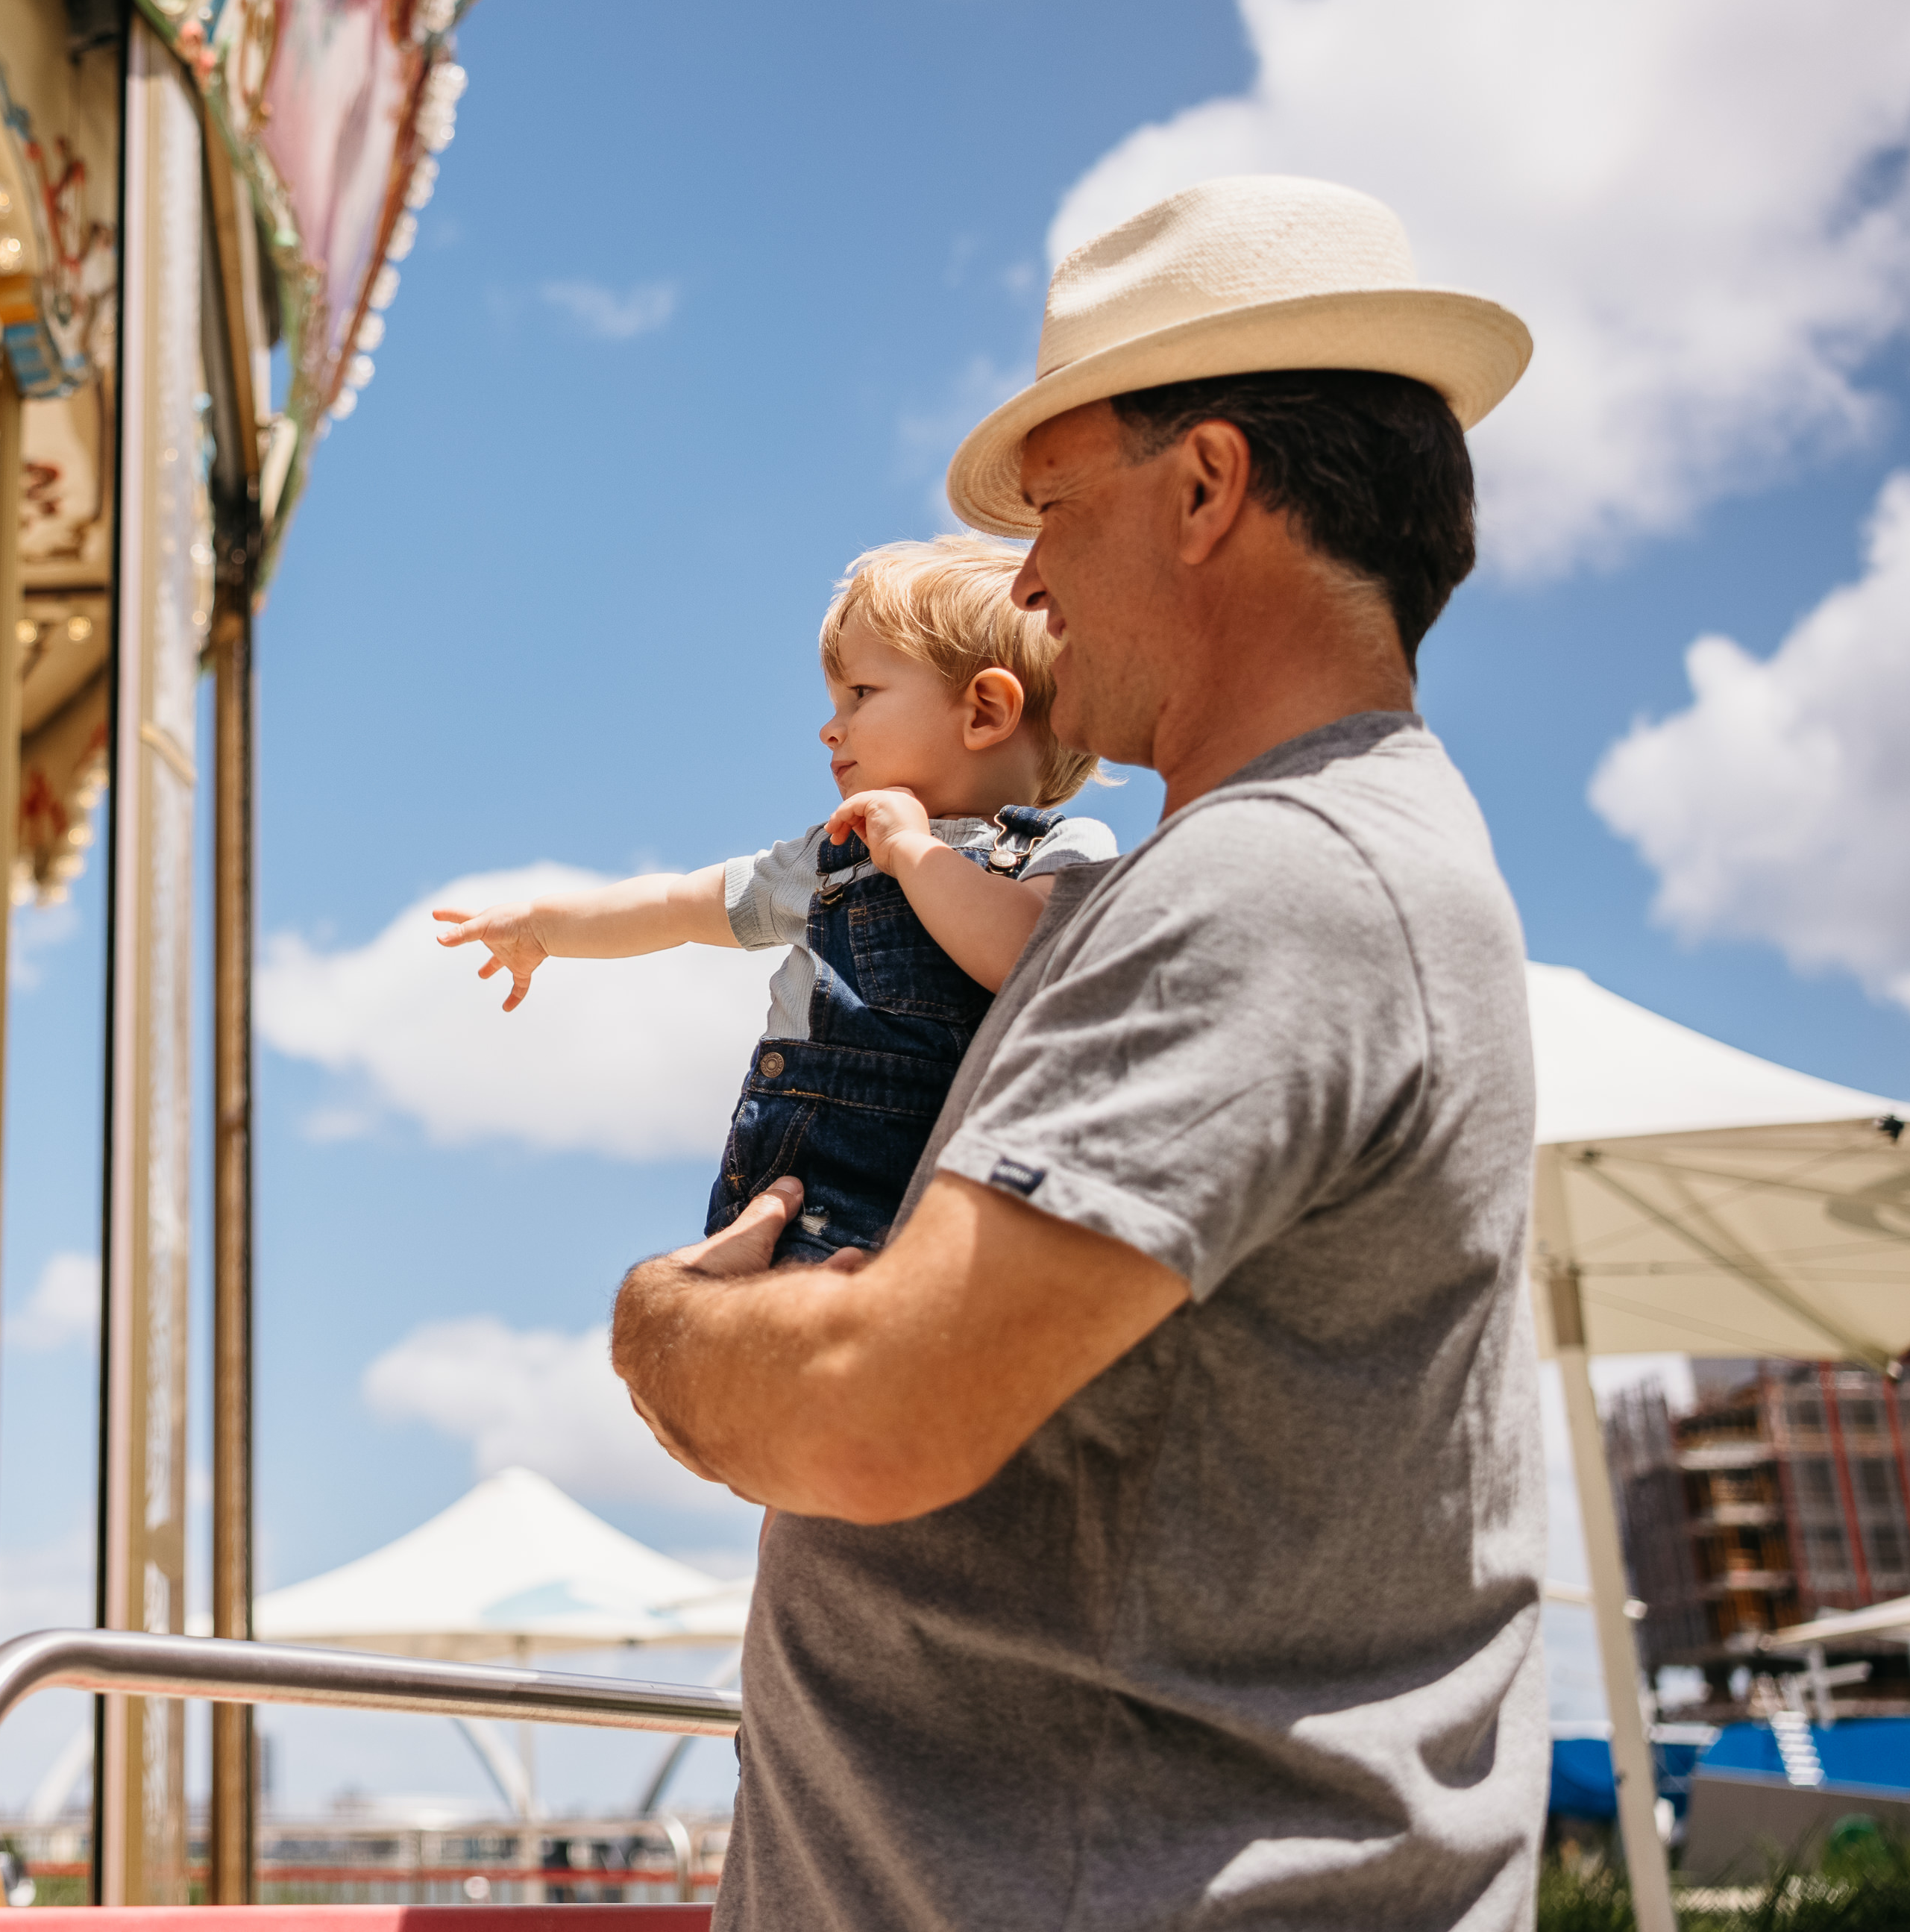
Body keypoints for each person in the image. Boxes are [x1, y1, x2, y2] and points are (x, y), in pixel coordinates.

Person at [608, 175, 1546, 1928]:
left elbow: (874, 1415)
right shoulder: (1313, 859)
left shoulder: (1277, 879)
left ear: (1204, 489)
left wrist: (663, 1328)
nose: (1026, 578)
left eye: (1051, 507)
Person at [432, 536, 1108, 1263]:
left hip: (946, 1212)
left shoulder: (1061, 847)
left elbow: (1024, 959)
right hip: (787, 1192)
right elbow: (674, 904)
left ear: (982, 710)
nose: (829, 726)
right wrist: (543, 926)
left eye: (861, 694)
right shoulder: (828, 854)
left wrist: (914, 852)